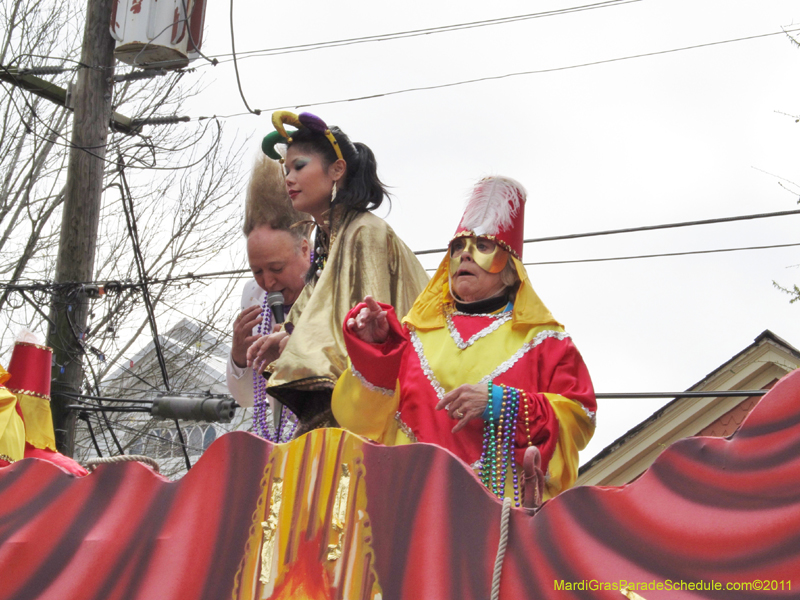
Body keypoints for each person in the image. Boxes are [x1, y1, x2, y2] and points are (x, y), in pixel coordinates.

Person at [332, 176, 596, 505]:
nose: (465, 256)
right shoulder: (411, 335)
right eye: (458, 248)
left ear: (510, 265)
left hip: (498, 522)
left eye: (482, 247)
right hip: (408, 511)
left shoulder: (546, 343)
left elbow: (580, 418)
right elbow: (360, 422)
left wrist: (503, 405)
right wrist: (377, 353)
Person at [252, 111, 429, 434]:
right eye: (286, 169)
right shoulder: (327, 237)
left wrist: (295, 339)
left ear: (337, 169)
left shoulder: (366, 232)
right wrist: (287, 336)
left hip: (368, 409)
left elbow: (375, 329)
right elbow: (315, 315)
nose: (288, 178)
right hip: (340, 400)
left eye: (299, 166)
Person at [226, 155, 311, 441]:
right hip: (279, 444)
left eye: (276, 268)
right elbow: (247, 399)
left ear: (304, 249)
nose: (268, 281)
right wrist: (240, 356)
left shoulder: (330, 289)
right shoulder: (253, 294)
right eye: (257, 270)